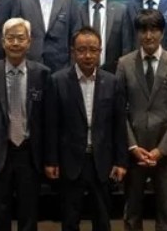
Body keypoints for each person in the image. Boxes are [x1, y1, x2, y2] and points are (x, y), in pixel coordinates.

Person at [45, 27, 128, 231]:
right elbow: (51, 126)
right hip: (70, 161)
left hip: (102, 161)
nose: (88, 55)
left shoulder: (112, 82)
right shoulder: (57, 81)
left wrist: (121, 161)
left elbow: (118, 125)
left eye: (93, 50)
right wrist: (51, 160)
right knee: (70, 220)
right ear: (73, 52)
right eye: (82, 50)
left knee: (102, 220)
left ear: (100, 51)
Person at [117, 9, 167, 231]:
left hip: (166, 152)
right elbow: (119, 111)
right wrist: (132, 146)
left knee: (166, 215)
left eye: (154, 30)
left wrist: (161, 150)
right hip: (134, 152)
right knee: (132, 214)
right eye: (143, 30)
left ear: (162, 32)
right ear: (137, 33)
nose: (148, 36)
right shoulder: (124, 64)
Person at [0, 18, 51, 231]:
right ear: (3, 42)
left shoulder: (42, 74)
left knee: (29, 212)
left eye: (21, 38)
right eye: (10, 38)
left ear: (29, 42)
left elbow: (48, 121)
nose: (16, 43)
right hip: (0, 151)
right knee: (0, 212)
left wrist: (49, 157)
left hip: (30, 152)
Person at [80, 0, 127, 72]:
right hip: (82, 71)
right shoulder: (76, 10)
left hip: (114, 73)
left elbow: (126, 46)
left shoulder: (121, 11)